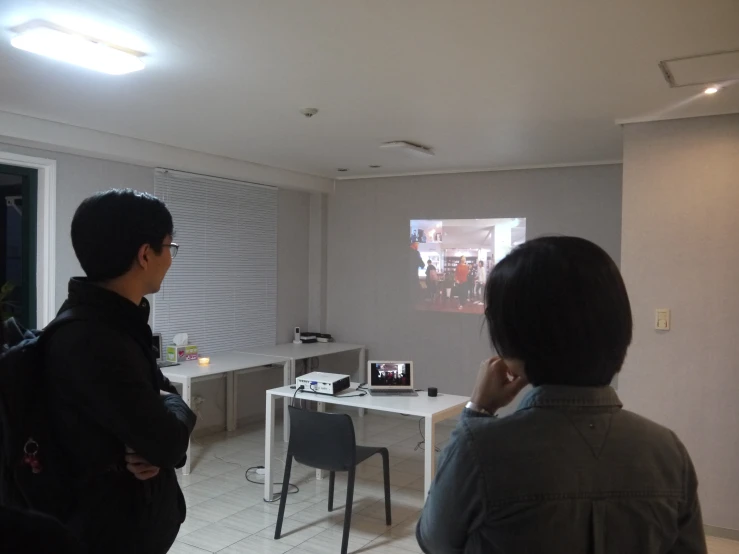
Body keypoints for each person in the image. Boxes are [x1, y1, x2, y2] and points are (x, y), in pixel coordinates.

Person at [417, 236, 706, 553]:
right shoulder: (669, 452)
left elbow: (434, 541)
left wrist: (477, 410)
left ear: (511, 342)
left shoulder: (478, 450)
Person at [43, 190, 197, 554]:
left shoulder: (116, 323)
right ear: (146, 255)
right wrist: (176, 411)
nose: (170, 260)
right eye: (168, 248)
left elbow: (159, 417)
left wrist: (162, 422)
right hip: (106, 533)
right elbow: (167, 442)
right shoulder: (95, 339)